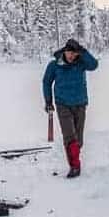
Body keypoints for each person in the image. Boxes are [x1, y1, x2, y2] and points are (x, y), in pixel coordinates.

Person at [42, 39, 99, 178]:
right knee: (69, 136)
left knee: (78, 139)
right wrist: (48, 101)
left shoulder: (81, 63)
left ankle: (74, 160)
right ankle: (75, 166)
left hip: (80, 104)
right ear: (65, 51)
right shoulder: (54, 65)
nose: (72, 56)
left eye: (75, 53)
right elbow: (46, 82)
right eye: (70, 53)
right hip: (63, 105)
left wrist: (83, 51)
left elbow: (94, 65)